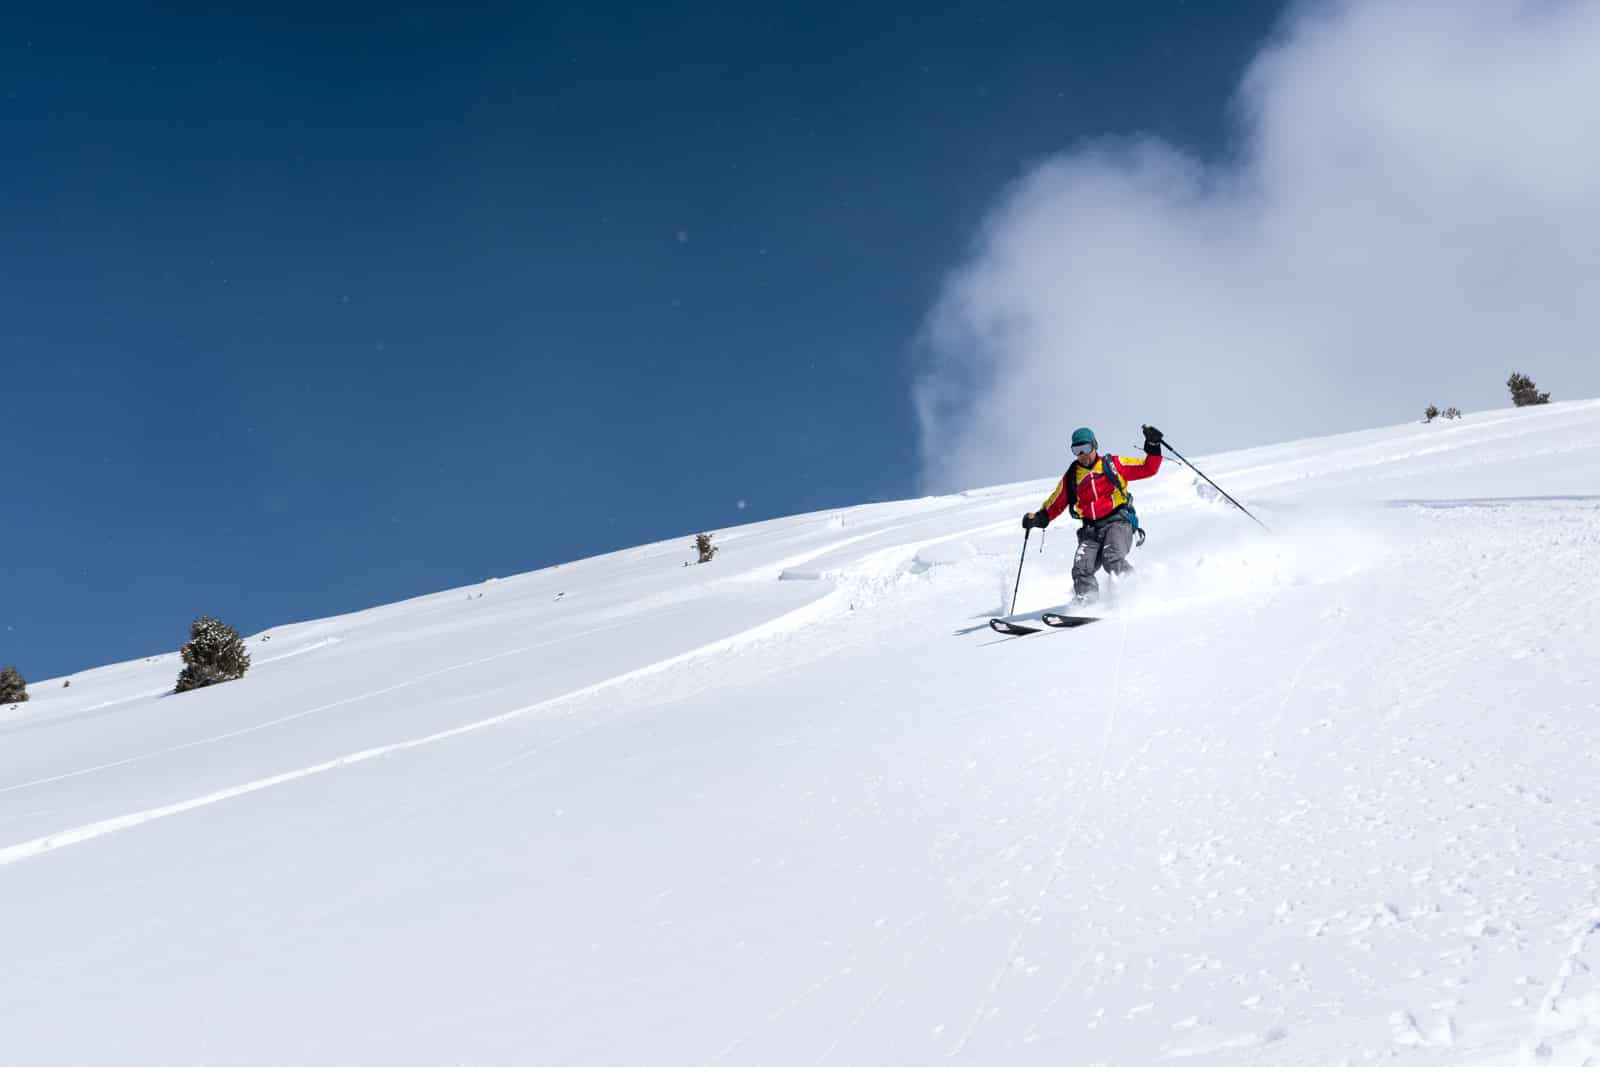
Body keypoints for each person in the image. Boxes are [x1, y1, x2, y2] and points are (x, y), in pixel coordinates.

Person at [1022, 425, 1165, 605]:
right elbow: (1056, 502)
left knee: (1111, 557)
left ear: (1095, 445)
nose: (1082, 454)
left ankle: (1136, 593)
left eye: (1086, 448)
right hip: (1091, 529)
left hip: (1118, 522)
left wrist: (1153, 445)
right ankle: (1087, 604)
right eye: (1076, 450)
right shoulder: (1072, 477)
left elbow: (1147, 468)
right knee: (1081, 567)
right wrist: (1038, 518)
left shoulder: (1112, 464)